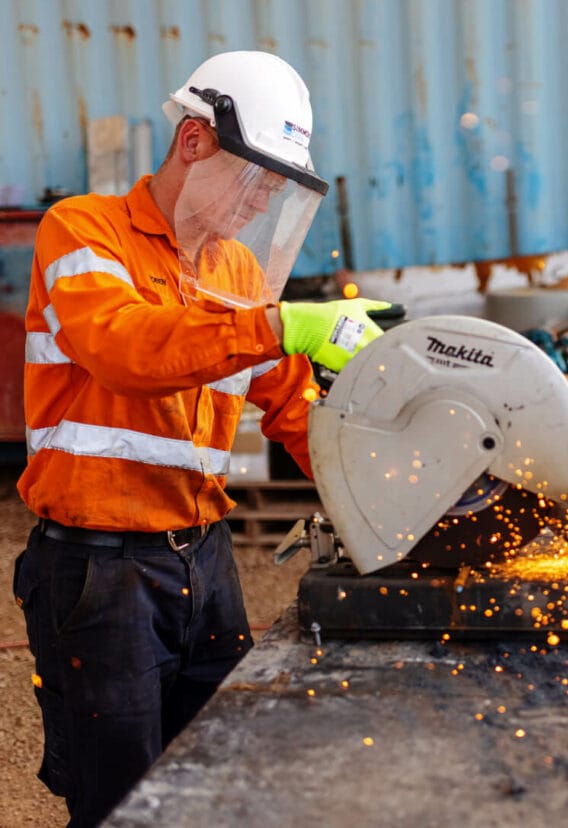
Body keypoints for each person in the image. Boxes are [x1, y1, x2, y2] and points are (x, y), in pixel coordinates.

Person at [12, 51, 389, 827]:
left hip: (203, 561)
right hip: (97, 572)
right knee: (121, 799)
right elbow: (125, 347)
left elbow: (294, 409)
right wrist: (283, 324)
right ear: (193, 141)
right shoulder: (82, 232)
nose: (262, 202)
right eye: (255, 178)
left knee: (219, 778)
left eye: (277, 189)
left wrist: (392, 499)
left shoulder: (240, 271)